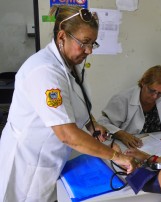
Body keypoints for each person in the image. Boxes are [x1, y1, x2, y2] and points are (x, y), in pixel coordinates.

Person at [0, 5, 136, 202]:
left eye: (93, 44)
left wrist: (92, 124)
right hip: (29, 161)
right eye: (85, 43)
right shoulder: (45, 71)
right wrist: (115, 157)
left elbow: (74, 102)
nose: (89, 50)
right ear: (62, 36)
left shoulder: (73, 64)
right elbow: (67, 134)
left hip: (52, 157)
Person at [98, 65, 161, 148]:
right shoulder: (123, 99)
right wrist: (122, 134)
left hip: (160, 146)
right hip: (131, 148)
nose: (155, 96)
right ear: (143, 83)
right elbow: (103, 123)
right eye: (151, 91)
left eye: (159, 93)